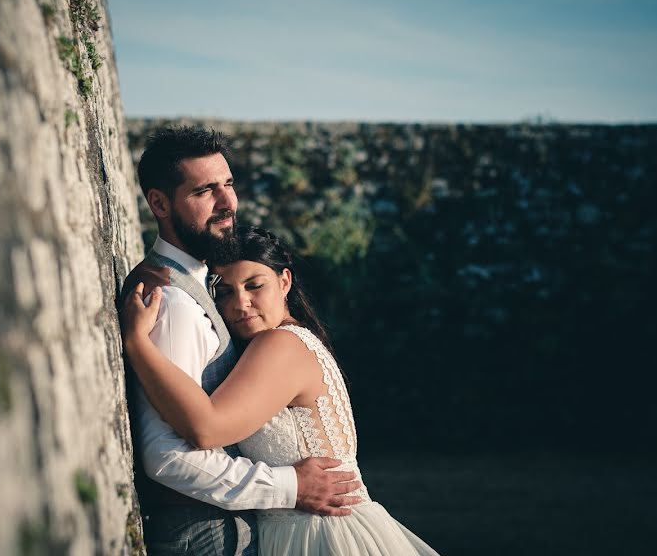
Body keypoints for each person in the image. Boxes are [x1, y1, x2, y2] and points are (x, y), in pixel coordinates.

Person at [122, 226, 440, 555]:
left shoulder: (280, 345)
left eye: (254, 286)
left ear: (284, 281)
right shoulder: (289, 340)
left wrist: (137, 344)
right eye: (225, 291)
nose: (240, 304)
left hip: (320, 533)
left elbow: (207, 428)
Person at [122, 127, 362, 555]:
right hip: (207, 532)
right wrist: (289, 486)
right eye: (206, 190)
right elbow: (169, 454)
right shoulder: (173, 301)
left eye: (228, 184)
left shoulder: (212, 297)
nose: (228, 202)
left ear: (284, 281)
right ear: (159, 203)